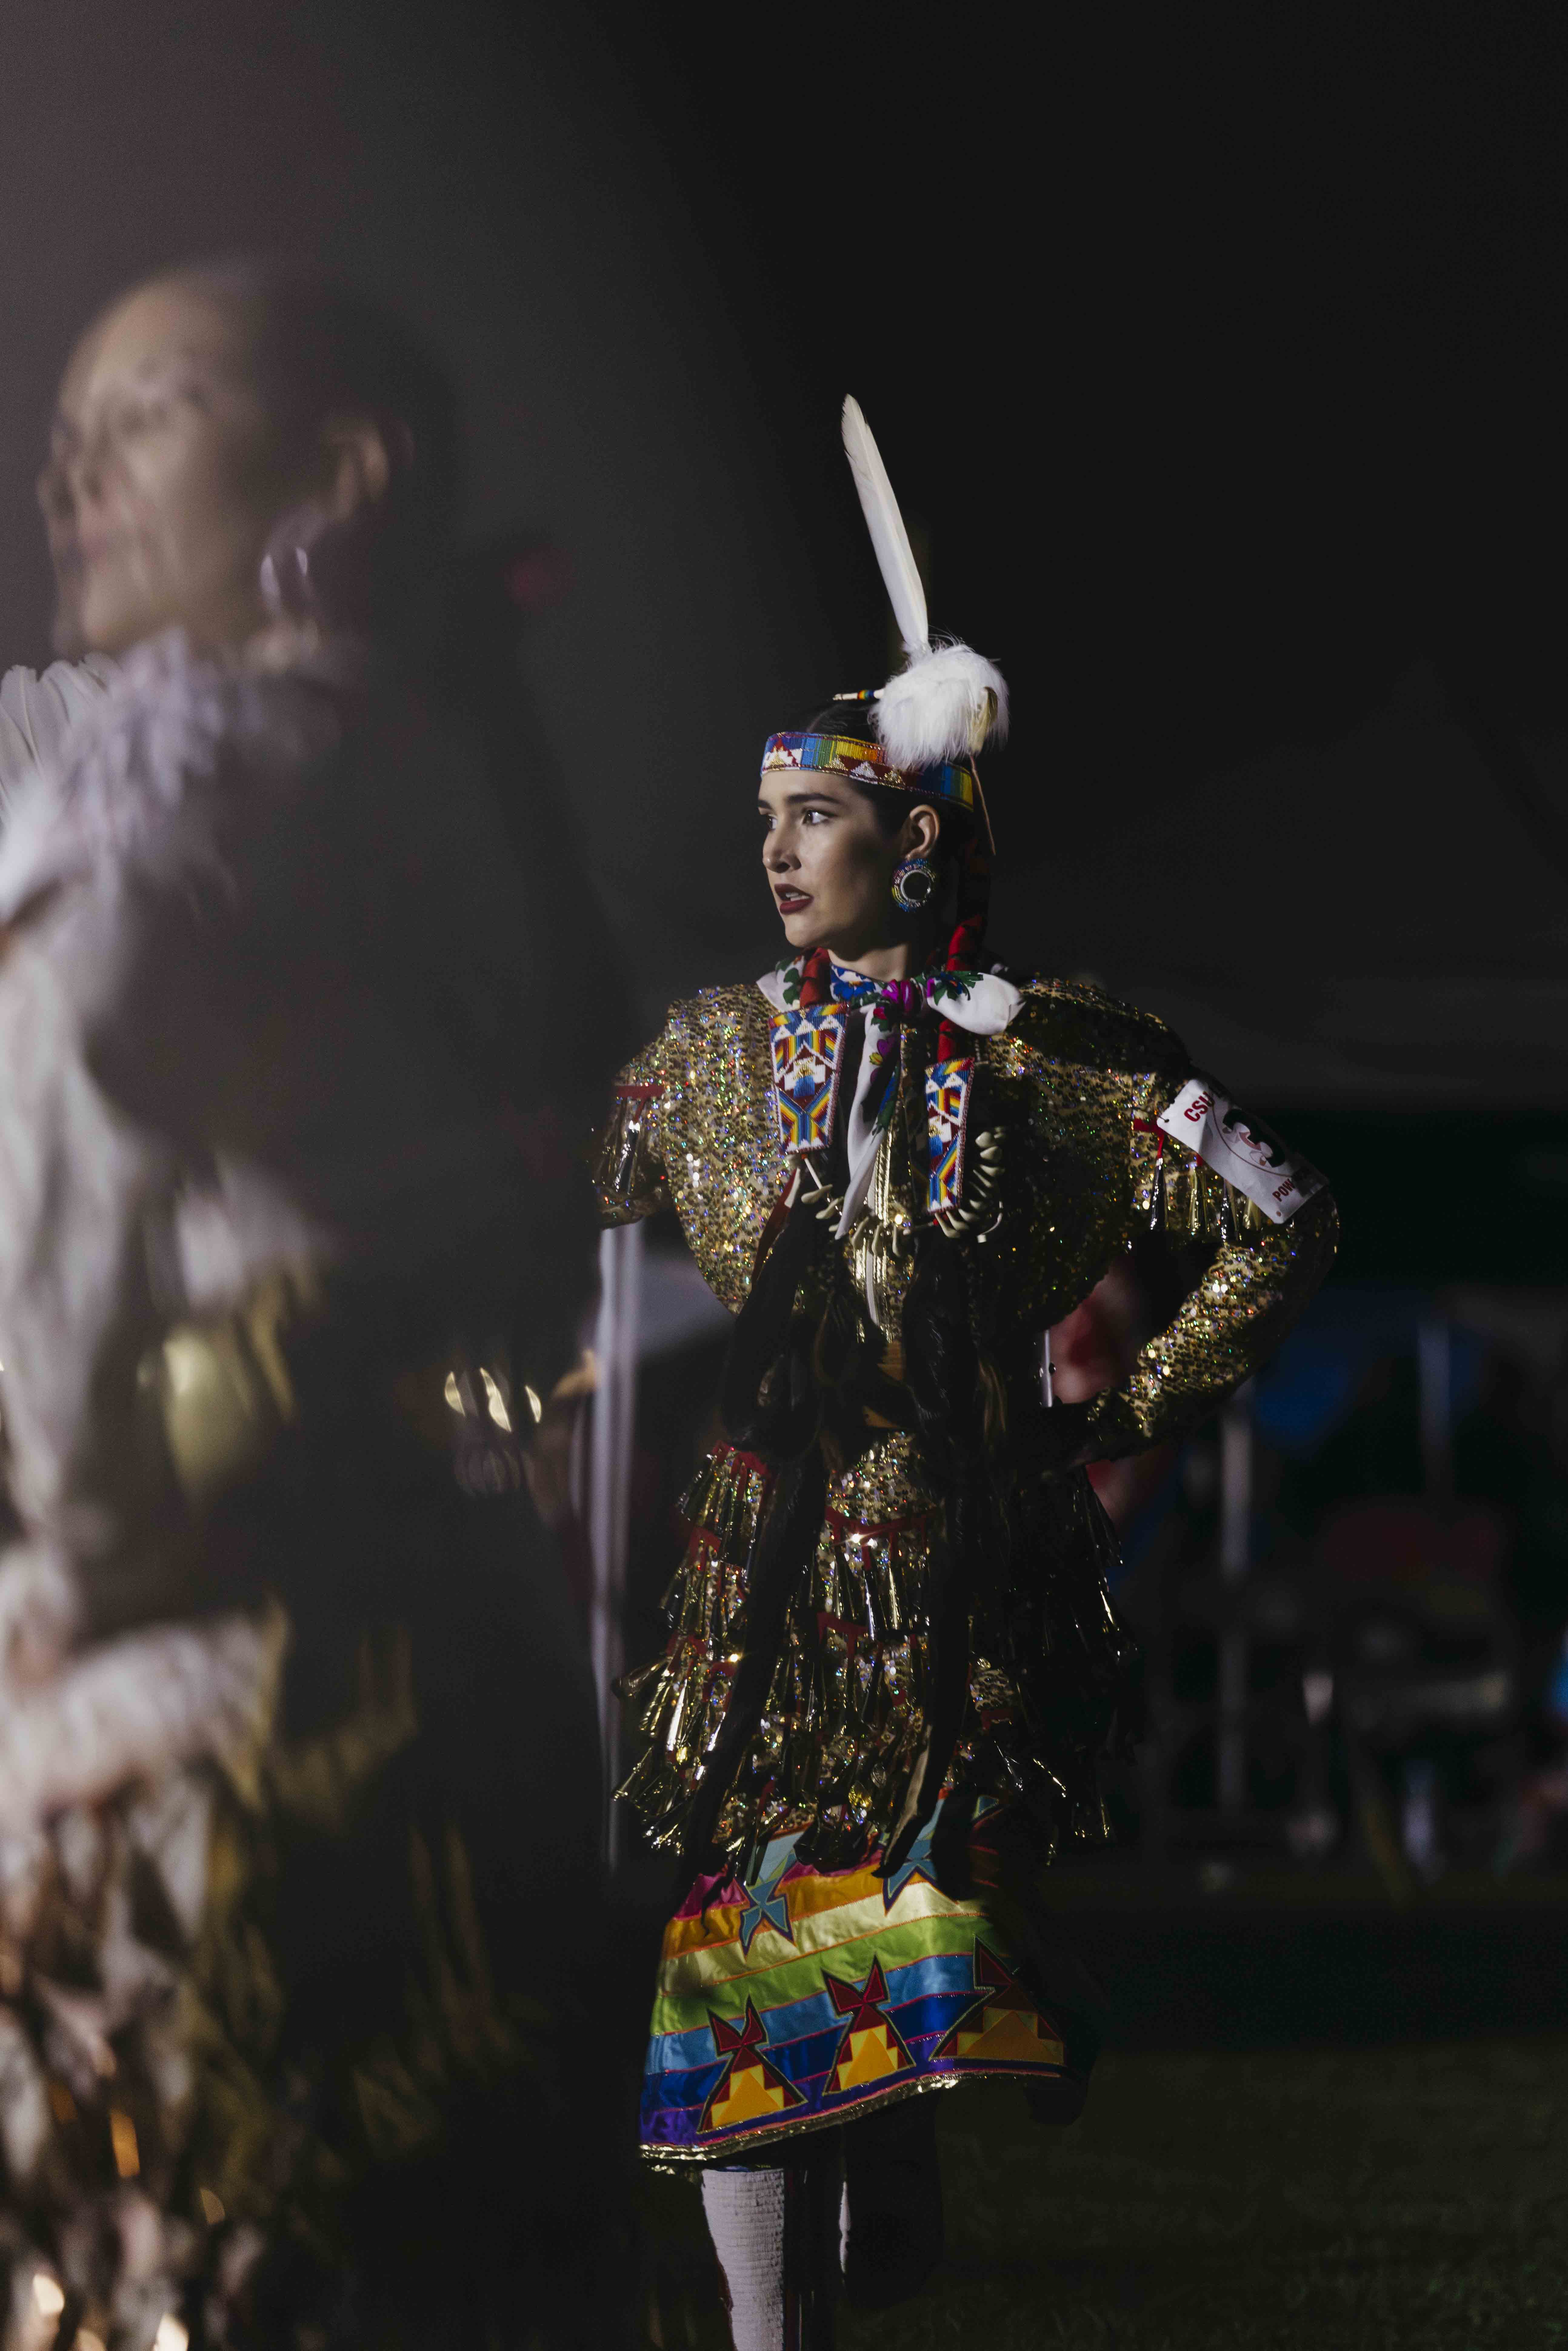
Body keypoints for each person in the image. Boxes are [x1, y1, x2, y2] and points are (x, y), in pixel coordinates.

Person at [592, 399, 1338, 2349]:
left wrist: (1127, 1400)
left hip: (958, 1609)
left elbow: (1287, 1220)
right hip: (757, 1599)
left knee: (911, 2019)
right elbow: (581, 1235)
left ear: (914, 838)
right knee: (753, 1984)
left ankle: (852, 2250)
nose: (772, 851)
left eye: (814, 815)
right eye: (761, 820)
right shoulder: (702, 1059)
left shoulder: (1052, 1056)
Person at [0, 262, 612, 2346]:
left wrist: (74, 1535)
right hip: (444, 1672)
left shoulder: (204, 770)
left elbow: (85, 1036)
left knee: (214, 2269)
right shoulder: (416, 775)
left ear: (346, 471)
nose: (77, 462)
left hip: (217, 1707)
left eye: (150, 410)